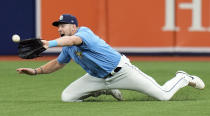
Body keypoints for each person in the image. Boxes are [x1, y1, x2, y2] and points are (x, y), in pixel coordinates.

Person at [16, 14, 205, 102]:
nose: (59, 28)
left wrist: (49, 44)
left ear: (73, 26)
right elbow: (58, 63)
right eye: (58, 26)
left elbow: (75, 40)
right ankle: (105, 90)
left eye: (63, 25)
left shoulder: (83, 33)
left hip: (122, 72)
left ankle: (182, 77)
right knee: (68, 98)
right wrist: (35, 71)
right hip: (97, 78)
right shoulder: (68, 46)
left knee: (163, 96)